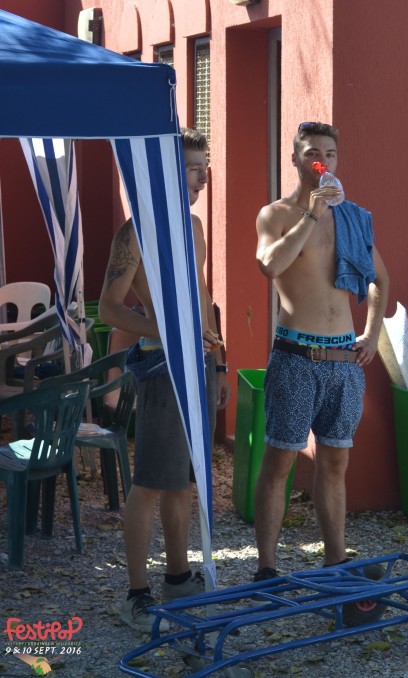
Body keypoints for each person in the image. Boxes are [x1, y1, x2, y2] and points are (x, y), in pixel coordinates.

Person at [99, 128, 230, 631]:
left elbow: (202, 294)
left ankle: (177, 578)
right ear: (166, 174)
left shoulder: (193, 226)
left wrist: (219, 361)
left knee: (183, 479)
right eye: (192, 167)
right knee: (150, 483)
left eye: (204, 167)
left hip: (199, 366)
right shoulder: (133, 234)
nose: (202, 177)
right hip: (160, 368)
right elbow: (110, 309)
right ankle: (136, 594)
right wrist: (168, 331)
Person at [253, 121, 390, 581]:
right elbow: (269, 265)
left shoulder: (351, 217)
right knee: (280, 461)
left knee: (335, 462)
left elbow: (380, 279)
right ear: (295, 159)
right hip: (297, 357)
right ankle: (267, 566)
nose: (323, 162)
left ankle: (336, 560)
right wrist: (311, 215)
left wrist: (371, 334)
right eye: (313, 153)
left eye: (329, 154)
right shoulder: (276, 214)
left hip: (344, 361)